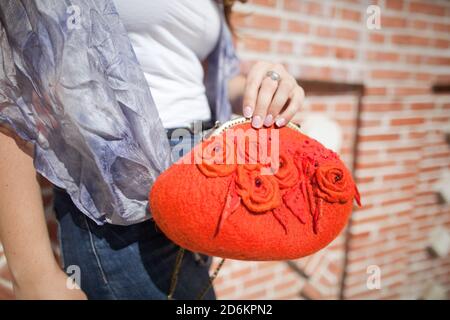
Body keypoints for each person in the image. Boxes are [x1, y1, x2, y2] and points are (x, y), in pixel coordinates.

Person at [0, 0, 305, 299]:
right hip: (123, 201)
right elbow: (10, 84)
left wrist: (262, 87)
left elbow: (212, 78)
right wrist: (33, 274)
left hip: (203, 185)